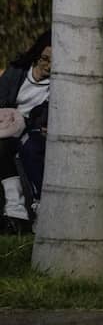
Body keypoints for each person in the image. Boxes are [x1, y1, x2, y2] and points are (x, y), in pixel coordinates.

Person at [18, 54, 103, 209]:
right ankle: (42, 203)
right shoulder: (63, 60)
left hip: (101, 131)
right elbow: (48, 105)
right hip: (64, 127)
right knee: (30, 142)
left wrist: (71, 127)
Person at [0, 30, 51, 231]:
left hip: (32, 129)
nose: (48, 65)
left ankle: (21, 211)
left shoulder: (58, 83)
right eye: (45, 58)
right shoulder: (18, 71)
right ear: (37, 54)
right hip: (6, 125)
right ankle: (15, 208)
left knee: (31, 148)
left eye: (54, 61)